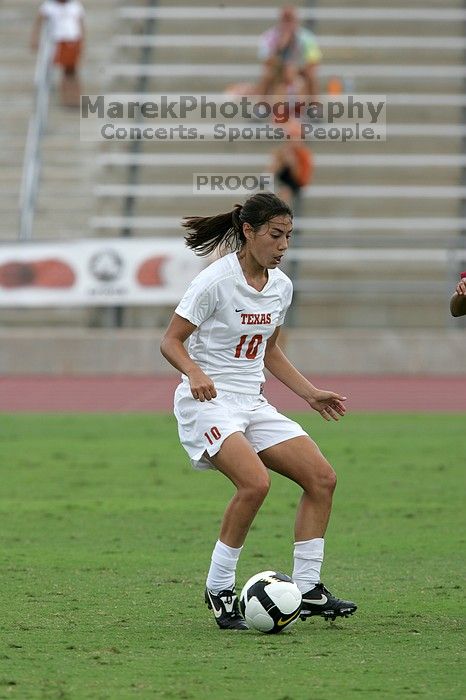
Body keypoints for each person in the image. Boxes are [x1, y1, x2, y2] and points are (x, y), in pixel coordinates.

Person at [160, 192, 357, 630]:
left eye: (289, 236)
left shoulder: (281, 286)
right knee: (254, 484)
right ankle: (219, 587)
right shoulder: (214, 282)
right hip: (207, 403)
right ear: (248, 232)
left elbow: (269, 351)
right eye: (275, 235)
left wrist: (309, 393)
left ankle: (307, 588)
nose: (284, 245)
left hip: (253, 403)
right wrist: (193, 371)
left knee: (322, 479)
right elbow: (170, 341)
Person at [257, 5, 322, 101]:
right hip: (278, 68)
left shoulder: (306, 37)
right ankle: (261, 107)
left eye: (290, 20)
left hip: (299, 69)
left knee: (311, 75)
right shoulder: (270, 36)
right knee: (267, 74)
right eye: (285, 20)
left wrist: (294, 68)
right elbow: (266, 61)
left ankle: (314, 108)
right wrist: (280, 47)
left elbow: (313, 61)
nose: (288, 24)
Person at [31, 0, 85, 107]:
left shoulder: (75, 5)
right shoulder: (49, 6)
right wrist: (35, 38)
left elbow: (81, 23)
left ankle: (76, 98)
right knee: (64, 72)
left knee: (72, 71)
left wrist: (83, 43)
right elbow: (39, 21)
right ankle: (66, 99)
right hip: (59, 41)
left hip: (73, 40)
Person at [272, 120, 314, 205]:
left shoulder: (304, 155)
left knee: (285, 192)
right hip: (282, 182)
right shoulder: (282, 151)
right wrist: (281, 161)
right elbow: (273, 171)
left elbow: (300, 179)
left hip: (296, 184)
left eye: (295, 137)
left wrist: (293, 163)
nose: (293, 141)